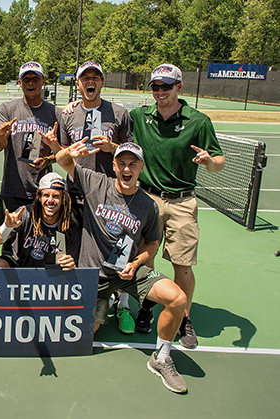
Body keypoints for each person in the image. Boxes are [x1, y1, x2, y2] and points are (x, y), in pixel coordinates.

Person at [52, 138, 189, 393]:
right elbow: (63, 161)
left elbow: (151, 244)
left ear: (141, 168)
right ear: (114, 166)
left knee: (177, 299)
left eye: (133, 164)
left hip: (128, 273)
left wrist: (137, 262)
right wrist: (69, 152)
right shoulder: (96, 183)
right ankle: (109, 304)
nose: (127, 169)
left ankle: (161, 358)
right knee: (82, 336)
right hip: (94, 276)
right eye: (122, 163)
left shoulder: (148, 205)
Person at [130, 64, 224, 348]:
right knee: (146, 259)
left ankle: (183, 317)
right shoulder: (140, 116)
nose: (160, 92)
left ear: (179, 87)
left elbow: (219, 162)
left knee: (182, 265)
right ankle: (146, 308)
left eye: (166, 87)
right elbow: (108, 111)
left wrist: (209, 162)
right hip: (147, 199)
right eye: (156, 87)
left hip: (182, 201)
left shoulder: (199, 121)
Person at [61, 60, 135, 334]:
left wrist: (112, 146)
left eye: (95, 78)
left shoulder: (119, 113)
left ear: (102, 82)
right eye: (84, 78)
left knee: (120, 252)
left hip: (112, 196)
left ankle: (124, 303)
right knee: (80, 253)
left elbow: (132, 151)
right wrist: (68, 153)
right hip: (78, 194)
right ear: (78, 84)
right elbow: (62, 154)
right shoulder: (67, 114)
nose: (90, 82)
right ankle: (82, 303)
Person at [0, 61, 66, 225]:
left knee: (39, 241)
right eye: (26, 79)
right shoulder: (7, 109)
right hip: (12, 190)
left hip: (43, 192)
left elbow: (63, 152)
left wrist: (47, 160)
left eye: (35, 78)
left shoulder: (56, 113)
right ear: (19, 83)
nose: (31, 82)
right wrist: (0, 134)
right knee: (7, 239)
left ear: (43, 81)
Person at [0, 172, 79, 270]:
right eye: (46, 195)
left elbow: (72, 264)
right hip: (18, 266)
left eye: (56, 196)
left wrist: (70, 264)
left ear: (63, 199)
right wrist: (7, 227)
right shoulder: (25, 214)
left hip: (49, 274)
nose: (50, 200)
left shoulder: (69, 227)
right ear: (39, 198)